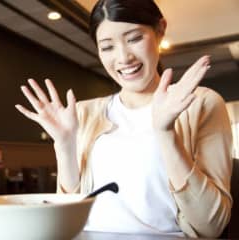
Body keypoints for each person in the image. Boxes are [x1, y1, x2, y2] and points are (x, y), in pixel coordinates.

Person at [15, 0, 233, 238]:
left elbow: (212, 226)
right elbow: (64, 221)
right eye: (107, 47)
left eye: (134, 39)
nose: (124, 57)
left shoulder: (201, 103)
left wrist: (166, 132)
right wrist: (65, 146)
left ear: (160, 30)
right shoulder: (83, 113)